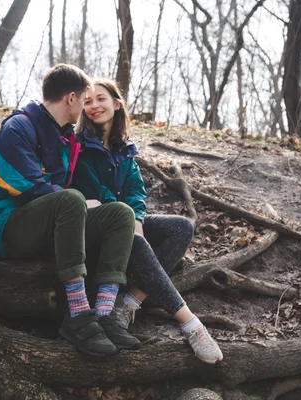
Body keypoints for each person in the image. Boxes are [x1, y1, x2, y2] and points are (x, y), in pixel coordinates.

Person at [0, 64, 140, 357]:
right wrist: (77, 200)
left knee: (120, 214)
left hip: (49, 223)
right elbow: (29, 187)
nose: (87, 107)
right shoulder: (18, 128)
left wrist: (100, 202)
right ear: (71, 98)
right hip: (6, 224)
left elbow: (75, 188)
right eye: (85, 99)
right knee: (72, 199)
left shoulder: (66, 137)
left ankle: (104, 314)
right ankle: (78, 315)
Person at [72, 78, 224, 364]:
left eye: (101, 99)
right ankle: (191, 325)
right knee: (134, 239)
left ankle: (128, 304)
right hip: (95, 226)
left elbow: (136, 191)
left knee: (181, 227)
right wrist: (129, 220)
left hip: (125, 220)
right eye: (88, 101)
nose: (94, 105)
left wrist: (137, 218)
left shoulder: (124, 148)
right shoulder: (79, 146)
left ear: (117, 104)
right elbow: (93, 190)